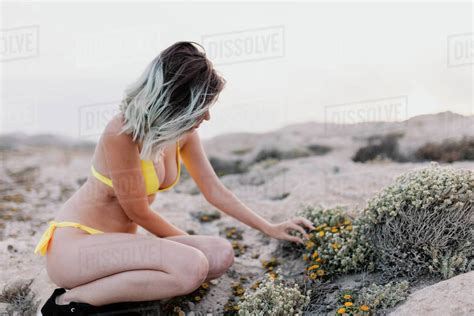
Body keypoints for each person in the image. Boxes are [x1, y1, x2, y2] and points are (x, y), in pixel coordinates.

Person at [35, 41, 315, 315]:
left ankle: (118, 293)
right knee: (192, 266)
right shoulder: (121, 132)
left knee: (220, 254)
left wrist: (269, 227)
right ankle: (66, 302)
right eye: (200, 105)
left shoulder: (182, 134)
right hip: (77, 249)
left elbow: (214, 190)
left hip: (118, 247)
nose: (206, 117)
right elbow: (139, 213)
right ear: (176, 101)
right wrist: (187, 252)